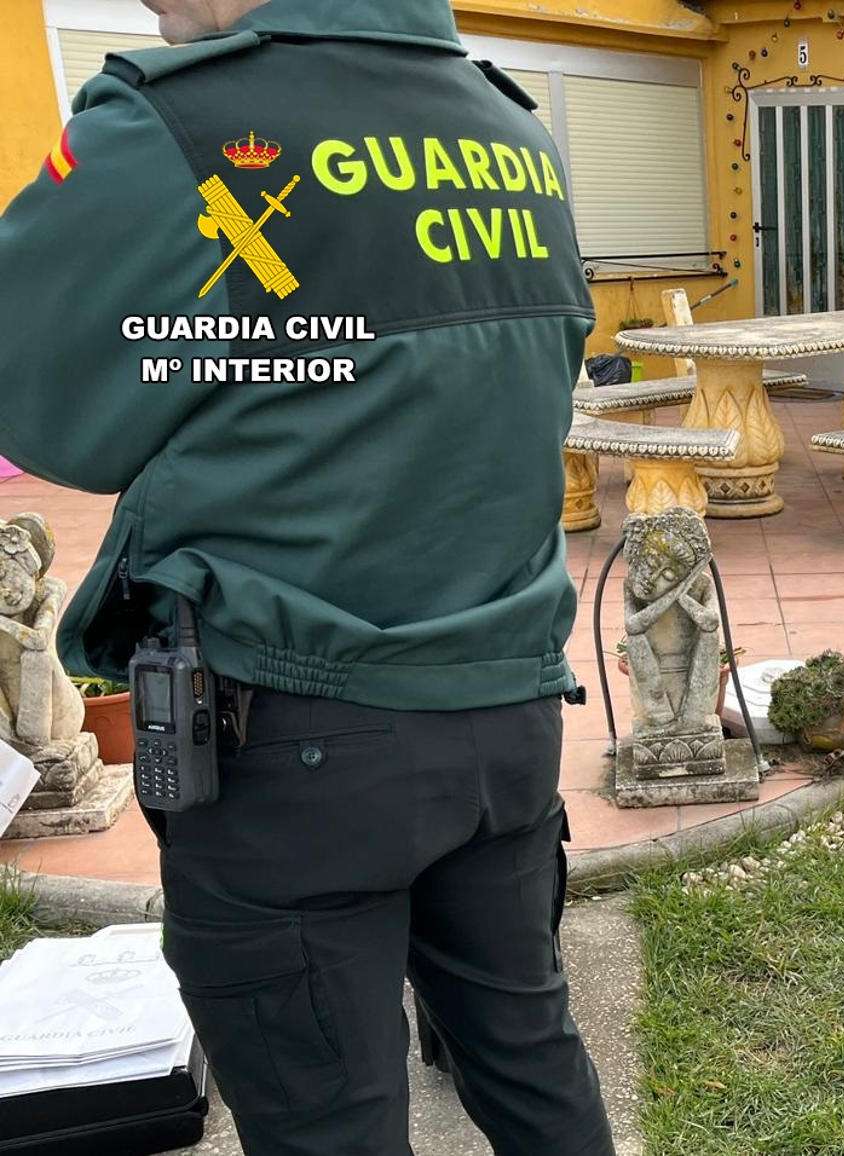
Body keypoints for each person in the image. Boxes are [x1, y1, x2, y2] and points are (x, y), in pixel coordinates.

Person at [0, 1, 616, 1152]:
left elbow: (44, 411)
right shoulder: (507, 126)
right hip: (503, 714)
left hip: (293, 740)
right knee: (531, 1061)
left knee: (329, 1121)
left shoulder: (177, 122)